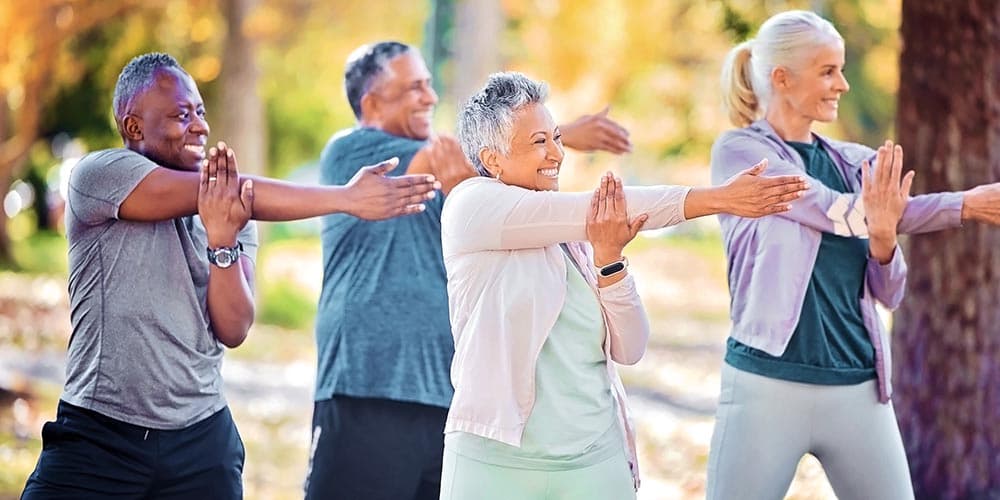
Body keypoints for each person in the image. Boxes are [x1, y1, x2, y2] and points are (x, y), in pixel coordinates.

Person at [20, 52, 438, 499]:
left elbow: (234, 328)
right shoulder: (99, 177)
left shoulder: (234, 213)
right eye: (182, 115)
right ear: (134, 127)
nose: (200, 125)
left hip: (200, 444)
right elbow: (233, 191)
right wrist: (344, 198)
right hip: (99, 436)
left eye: (200, 111)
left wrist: (223, 243)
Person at [437, 71, 807, 499]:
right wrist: (717, 198)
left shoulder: (575, 237)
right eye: (539, 142)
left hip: (594, 460)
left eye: (557, 137)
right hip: (495, 461)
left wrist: (610, 262)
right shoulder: (471, 206)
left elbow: (631, 348)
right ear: (493, 158)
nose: (557, 153)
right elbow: (606, 208)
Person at [306, 40, 643, 500]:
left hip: (444, 393)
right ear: (372, 103)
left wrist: (543, 140)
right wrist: (560, 133)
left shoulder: (471, 182)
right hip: (369, 385)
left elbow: (488, 164)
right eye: (413, 88)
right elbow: (448, 157)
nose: (429, 97)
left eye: (429, 84)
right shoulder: (353, 153)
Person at [707, 10, 1000, 500]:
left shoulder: (857, 163)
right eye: (828, 71)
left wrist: (886, 240)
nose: (842, 84)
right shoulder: (742, 155)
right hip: (767, 385)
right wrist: (964, 204)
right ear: (782, 78)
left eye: (841, 69)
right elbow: (833, 211)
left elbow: (891, 290)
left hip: (858, 386)